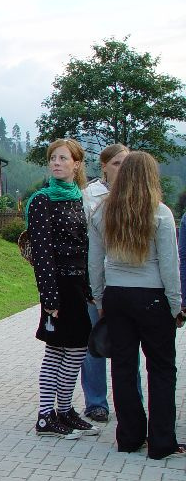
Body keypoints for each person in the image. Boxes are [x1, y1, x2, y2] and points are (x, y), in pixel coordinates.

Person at [88, 151, 185, 459]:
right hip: (153, 297)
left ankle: (129, 437)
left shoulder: (103, 212)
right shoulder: (160, 213)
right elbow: (170, 265)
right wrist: (176, 305)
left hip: (116, 295)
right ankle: (161, 442)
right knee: (161, 368)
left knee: (123, 366)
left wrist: (99, 298)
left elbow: (95, 262)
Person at [26, 138, 97, 439]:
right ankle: (46, 415)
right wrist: (49, 297)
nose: (56, 163)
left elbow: (88, 246)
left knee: (73, 348)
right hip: (58, 284)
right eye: (53, 158)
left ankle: (64, 410)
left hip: (79, 283)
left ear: (77, 164)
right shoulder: (42, 200)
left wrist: (91, 288)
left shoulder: (80, 198)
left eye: (63, 158)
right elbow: (41, 252)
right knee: (61, 348)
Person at [79, 144, 129, 422]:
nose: (122, 168)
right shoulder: (89, 196)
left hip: (127, 282)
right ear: (105, 167)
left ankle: (130, 401)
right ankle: (96, 402)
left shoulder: (136, 195)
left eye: (126, 163)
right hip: (96, 279)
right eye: (117, 163)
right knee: (95, 343)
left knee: (127, 345)